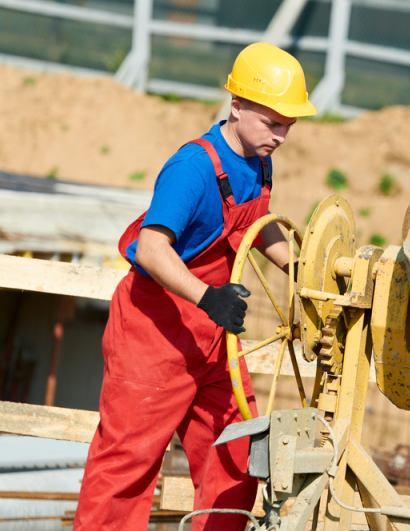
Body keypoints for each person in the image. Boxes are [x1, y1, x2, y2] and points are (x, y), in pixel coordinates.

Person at [73, 43, 316, 530]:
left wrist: (299, 266)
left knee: (237, 454)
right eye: (273, 122)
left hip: (214, 339)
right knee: (128, 465)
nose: (282, 136)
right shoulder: (193, 169)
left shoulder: (258, 160)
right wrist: (210, 297)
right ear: (237, 105)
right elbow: (150, 248)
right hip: (155, 334)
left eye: (288, 125)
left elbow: (257, 221)